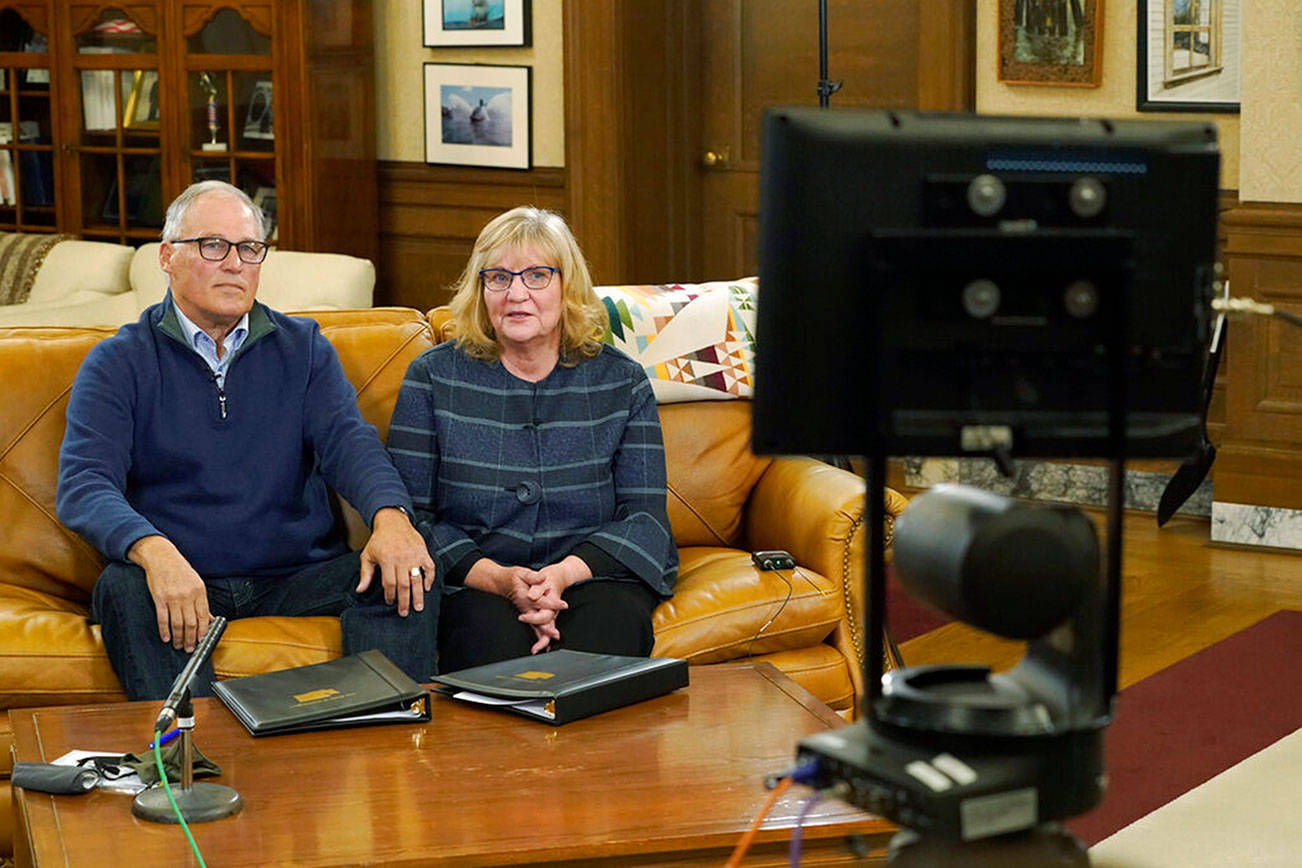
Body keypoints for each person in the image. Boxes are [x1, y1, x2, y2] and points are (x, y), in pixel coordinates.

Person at [57, 180, 437, 700]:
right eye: (213, 246)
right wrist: (154, 551)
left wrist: (391, 517)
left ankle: (377, 741)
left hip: (296, 576)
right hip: (181, 577)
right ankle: (197, 765)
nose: (235, 263)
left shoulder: (303, 348)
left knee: (412, 565)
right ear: (167, 257)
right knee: (123, 588)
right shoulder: (119, 362)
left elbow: (350, 444)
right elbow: (84, 484)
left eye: (250, 249)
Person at [387, 206, 676, 672]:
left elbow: (645, 518)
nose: (516, 293)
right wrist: (500, 579)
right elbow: (411, 519)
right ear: (481, 291)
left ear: (567, 288)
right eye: (498, 278)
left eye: (537, 276)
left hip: (593, 577)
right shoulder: (433, 377)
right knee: (488, 649)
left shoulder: (621, 381)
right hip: (477, 581)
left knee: (604, 646)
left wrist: (561, 576)